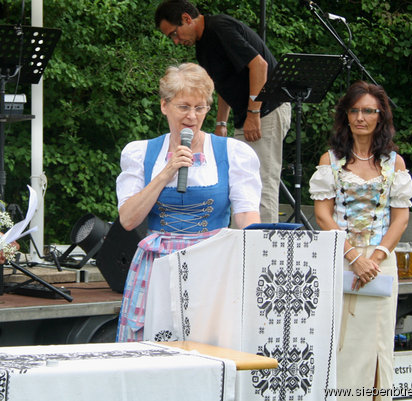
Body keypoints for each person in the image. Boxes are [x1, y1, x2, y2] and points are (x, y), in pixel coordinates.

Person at [116, 62, 262, 342]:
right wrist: (166, 173)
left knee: (208, 347)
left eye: (200, 108)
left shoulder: (233, 153)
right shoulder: (141, 153)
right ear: (164, 106)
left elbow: (246, 218)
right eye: (184, 107)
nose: (192, 117)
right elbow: (128, 219)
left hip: (213, 265)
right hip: (157, 267)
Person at [308, 81, 412, 399]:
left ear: (380, 116)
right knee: (343, 340)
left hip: (382, 260)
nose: (360, 117)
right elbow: (323, 217)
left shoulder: (394, 163)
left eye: (368, 111)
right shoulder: (331, 161)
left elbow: (401, 218)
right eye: (354, 110)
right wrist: (355, 257)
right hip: (342, 255)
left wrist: (376, 257)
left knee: (379, 342)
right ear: (346, 115)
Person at [155, 0, 292, 223]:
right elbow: (221, 84)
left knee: (258, 184)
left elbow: (260, 66)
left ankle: (259, 250)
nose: (177, 41)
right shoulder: (203, 45)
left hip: (266, 109)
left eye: (174, 33)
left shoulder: (219, 28)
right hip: (247, 114)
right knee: (237, 181)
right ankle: (240, 247)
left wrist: (254, 113)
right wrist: (221, 124)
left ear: (187, 19)